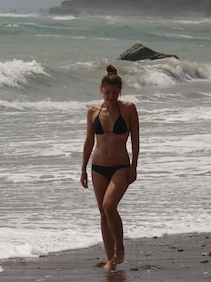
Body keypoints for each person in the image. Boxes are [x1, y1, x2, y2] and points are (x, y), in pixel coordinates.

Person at [80, 64, 139, 271]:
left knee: (109, 206)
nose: (111, 96)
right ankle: (110, 260)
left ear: (120, 92)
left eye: (115, 93)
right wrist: (83, 169)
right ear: (101, 91)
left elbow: (136, 139)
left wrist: (134, 166)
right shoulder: (93, 112)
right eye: (107, 93)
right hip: (97, 167)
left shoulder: (129, 108)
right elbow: (89, 141)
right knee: (103, 213)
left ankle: (119, 249)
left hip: (121, 166)